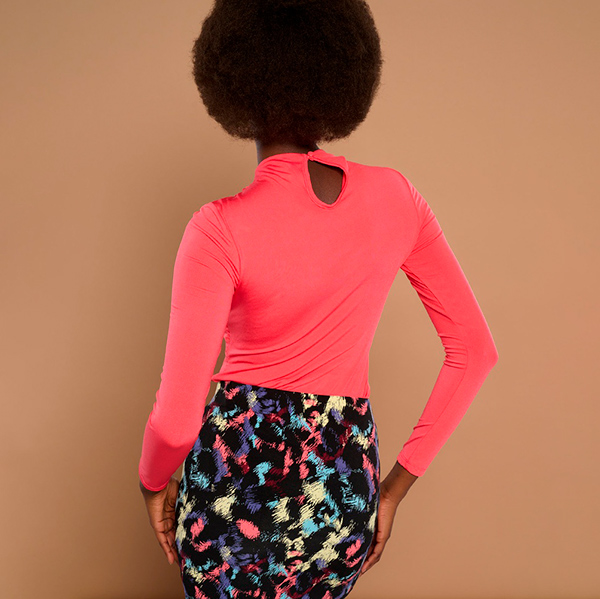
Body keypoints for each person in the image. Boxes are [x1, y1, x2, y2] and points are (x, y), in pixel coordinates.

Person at [138, 1, 499, 597]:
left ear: (234, 83)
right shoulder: (398, 198)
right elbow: (475, 352)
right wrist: (391, 492)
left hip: (233, 483)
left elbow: (176, 422)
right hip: (342, 485)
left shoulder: (218, 228)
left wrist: (152, 482)